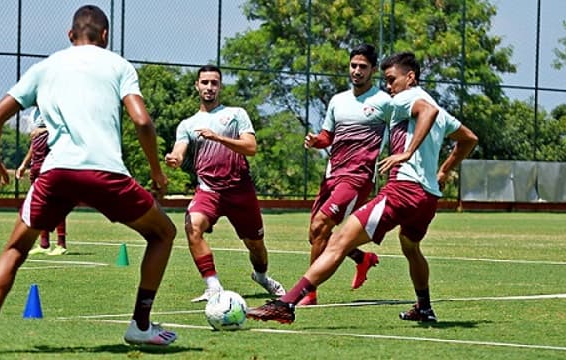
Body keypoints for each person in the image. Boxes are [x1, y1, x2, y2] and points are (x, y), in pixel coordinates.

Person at [0, 5, 177, 354]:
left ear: (70, 36)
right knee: (163, 233)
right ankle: (141, 325)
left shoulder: (45, 67)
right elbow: (142, 121)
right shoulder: (118, 65)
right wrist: (156, 171)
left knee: (16, 248)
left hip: (57, 173)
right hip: (106, 173)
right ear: (106, 36)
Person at [246, 51, 478, 324]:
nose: (389, 87)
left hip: (403, 190)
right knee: (410, 247)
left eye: (392, 80)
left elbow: (428, 112)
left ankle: (286, 304)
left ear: (410, 77)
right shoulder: (433, 103)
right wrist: (443, 170)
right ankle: (424, 307)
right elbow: (469, 139)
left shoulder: (407, 98)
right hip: (426, 198)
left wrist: (406, 153)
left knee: (338, 242)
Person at [165, 65, 286, 303]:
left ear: (220, 86)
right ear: (197, 86)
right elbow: (179, 150)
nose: (209, 87)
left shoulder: (236, 114)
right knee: (192, 226)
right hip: (209, 190)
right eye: (205, 82)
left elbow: (251, 148)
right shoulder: (188, 124)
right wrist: (174, 159)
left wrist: (218, 137)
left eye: (214, 83)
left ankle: (261, 276)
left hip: (240, 191)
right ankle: (213, 286)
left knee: (256, 246)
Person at [299, 44, 391, 306]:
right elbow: (328, 136)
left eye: (363, 67)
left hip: (358, 177)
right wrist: (317, 140)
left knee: (321, 226)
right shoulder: (337, 100)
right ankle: (363, 259)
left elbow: (401, 130)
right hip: (332, 174)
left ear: (373, 70)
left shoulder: (384, 101)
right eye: (353, 66)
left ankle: (309, 293)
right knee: (316, 235)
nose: (357, 71)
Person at [15, 108, 67, 256]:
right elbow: (33, 144)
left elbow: (62, 128)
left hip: (50, 164)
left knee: (56, 204)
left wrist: (44, 130)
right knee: (39, 205)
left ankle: (61, 244)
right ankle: (44, 244)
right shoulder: (34, 113)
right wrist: (24, 165)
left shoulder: (52, 105)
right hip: (36, 165)